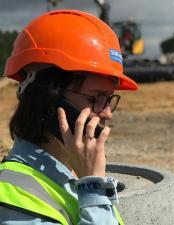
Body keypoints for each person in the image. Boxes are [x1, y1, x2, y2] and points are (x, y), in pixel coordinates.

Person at [0, 9, 138, 225]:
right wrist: (93, 189)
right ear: (49, 101)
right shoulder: (14, 197)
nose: (108, 113)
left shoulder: (73, 172)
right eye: (96, 98)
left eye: (109, 99)